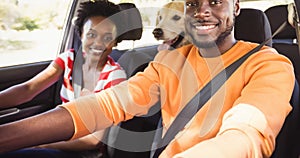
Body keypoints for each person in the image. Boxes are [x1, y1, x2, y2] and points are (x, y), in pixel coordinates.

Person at [0, 0, 295, 157]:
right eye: (192, 4)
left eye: (216, 1)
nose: (203, 11)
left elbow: (245, 135)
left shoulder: (269, 65)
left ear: (237, 6)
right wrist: (8, 136)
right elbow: (108, 104)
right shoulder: (170, 61)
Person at [0, 1, 126, 157]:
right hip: (59, 136)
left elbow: (93, 140)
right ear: (80, 34)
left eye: (107, 37)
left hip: (84, 151)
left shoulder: (115, 77)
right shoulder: (68, 59)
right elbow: (28, 89)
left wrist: (41, 143)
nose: (98, 43)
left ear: (115, 41)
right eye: (91, 35)